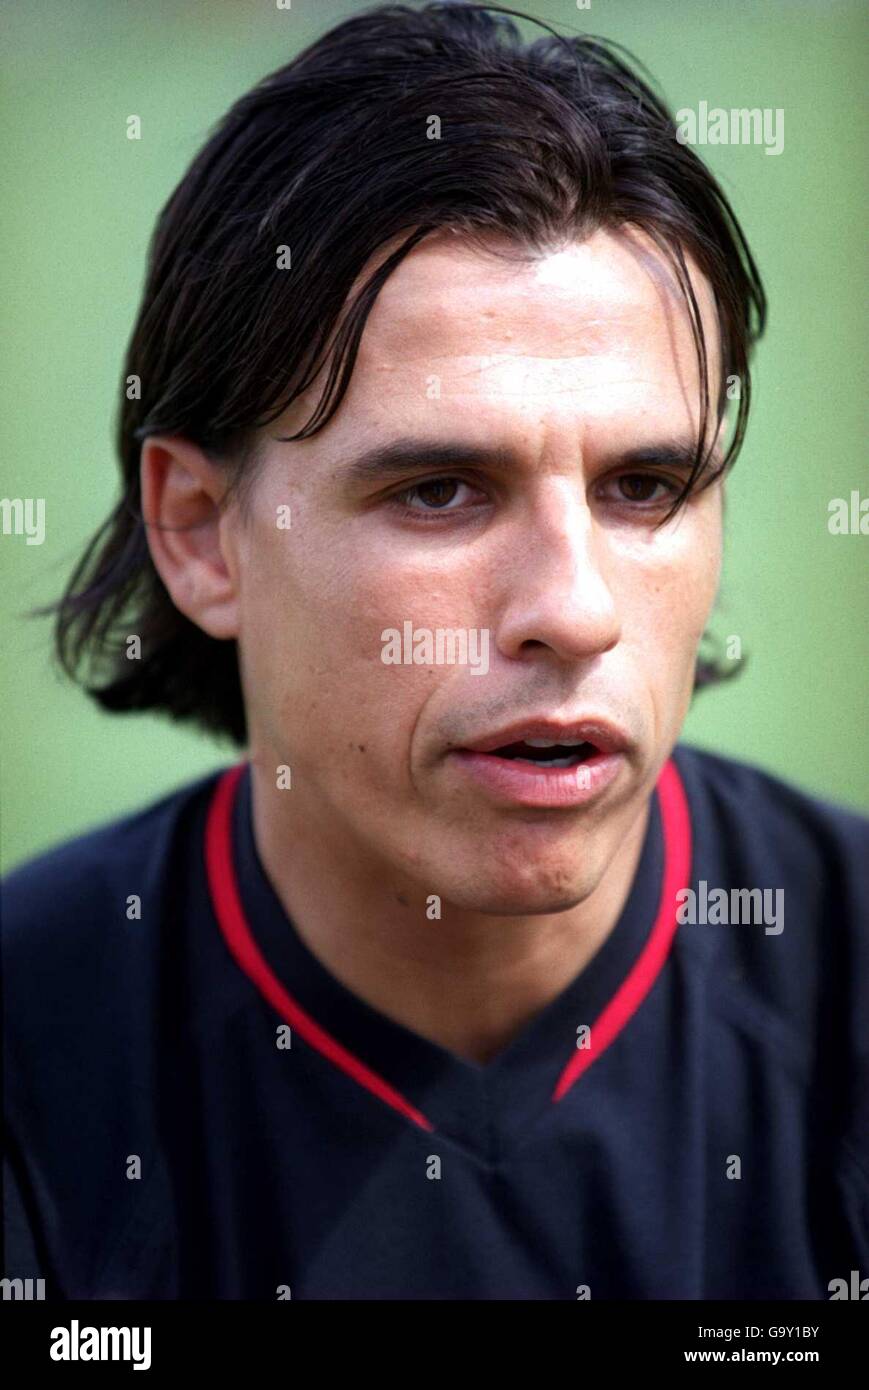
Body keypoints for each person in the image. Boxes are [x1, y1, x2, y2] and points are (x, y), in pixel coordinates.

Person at [3, 2, 867, 1301]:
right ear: (200, 531)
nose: (574, 609)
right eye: (440, 491)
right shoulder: (34, 1050)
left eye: (643, 486)